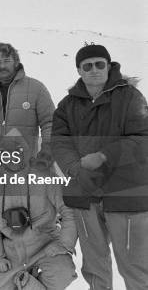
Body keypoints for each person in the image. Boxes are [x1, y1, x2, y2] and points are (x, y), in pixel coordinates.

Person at [52, 44, 148, 290]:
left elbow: (141, 139)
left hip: (126, 195)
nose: (94, 70)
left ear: (108, 65)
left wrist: (105, 156)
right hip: (85, 193)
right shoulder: (67, 105)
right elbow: (60, 143)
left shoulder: (130, 97)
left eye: (99, 64)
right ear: (79, 70)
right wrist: (76, 168)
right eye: (87, 66)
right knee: (94, 266)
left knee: (134, 266)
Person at [0, 129, 77, 290]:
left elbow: (68, 210)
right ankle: (27, 281)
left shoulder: (45, 176)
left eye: (16, 153)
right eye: (6, 154)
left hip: (45, 246)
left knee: (63, 273)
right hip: (11, 252)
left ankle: (26, 281)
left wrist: (64, 244)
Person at [0, 42, 55, 162]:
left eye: (7, 61)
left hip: (24, 161)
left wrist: (47, 147)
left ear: (16, 62)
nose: (2, 66)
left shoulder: (36, 88)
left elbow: (49, 122)